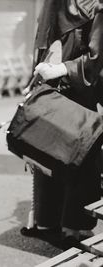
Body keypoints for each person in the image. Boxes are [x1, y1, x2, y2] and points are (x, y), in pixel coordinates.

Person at [20, 0, 103, 249]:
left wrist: (64, 69)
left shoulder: (97, 7)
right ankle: (48, 222)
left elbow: (96, 58)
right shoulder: (55, 4)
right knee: (49, 154)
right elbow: (46, 42)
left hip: (80, 92)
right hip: (54, 87)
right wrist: (35, 79)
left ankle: (73, 228)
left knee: (79, 157)